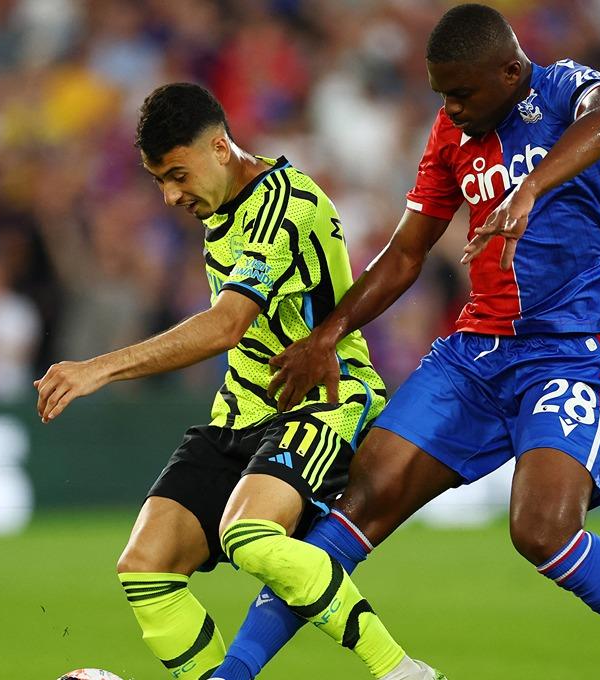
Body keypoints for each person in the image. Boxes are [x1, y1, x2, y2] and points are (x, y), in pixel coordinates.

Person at [214, 5, 600, 680]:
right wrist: (330, 331)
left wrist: (530, 186)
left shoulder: (562, 90)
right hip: (476, 352)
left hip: (569, 349)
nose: (450, 108)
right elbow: (406, 254)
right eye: (440, 94)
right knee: (359, 501)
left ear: (511, 71)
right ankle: (233, 674)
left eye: (461, 92)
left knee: (543, 531)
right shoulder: (448, 136)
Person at [34, 83, 444, 680]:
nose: (171, 195)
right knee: (144, 565)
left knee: (248, 535)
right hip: (240, 416)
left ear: (220, 148)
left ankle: (401, 671)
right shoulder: (222, 211)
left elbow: (227, 325)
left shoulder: (282, 206)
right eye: (158, 181)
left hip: (320, 407)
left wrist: (98, 367)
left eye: (177, 174)